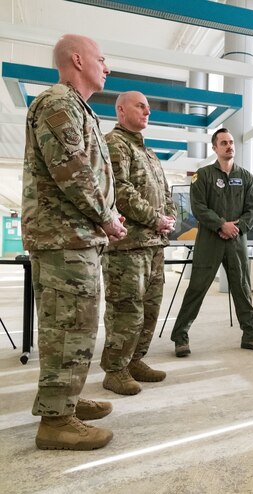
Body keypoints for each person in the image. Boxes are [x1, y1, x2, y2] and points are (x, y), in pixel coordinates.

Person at [22, 34, 127, 450]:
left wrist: (106, 215)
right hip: (62, 236)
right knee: (67, 327)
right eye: (102, 59)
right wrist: (107, 218)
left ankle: (66, 398)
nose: (107, 66)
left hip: (74, 236)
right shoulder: (58, 104)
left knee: (77, 326)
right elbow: (73, 171)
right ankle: (55, 422)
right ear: (78, 59)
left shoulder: (76, 108)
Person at [100, 91, 176, 395]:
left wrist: (168, 218)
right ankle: (115, 369)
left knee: (149, 309)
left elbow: (165, 192)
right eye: (140, 106)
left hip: (154, 244)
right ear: (121, 110)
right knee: (125, 309)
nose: (147, 111)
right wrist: (155, 218)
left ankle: (134, 360)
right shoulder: (114, 144)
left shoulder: (149, 152)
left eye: (148, 107)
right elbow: (121, 190)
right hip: (128, 246)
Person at [170, 128, 253, 356]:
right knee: (197, 287)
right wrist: (221, 225)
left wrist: (237, 228)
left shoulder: (245, 177)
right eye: (223, 142)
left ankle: (251, 335)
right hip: (209, 240)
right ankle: (180, 337)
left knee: (243, 287)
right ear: (214, 148)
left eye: (231, 142)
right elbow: (199, 207)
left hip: (237, 241)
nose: (229, 146)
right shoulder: (203, 175)